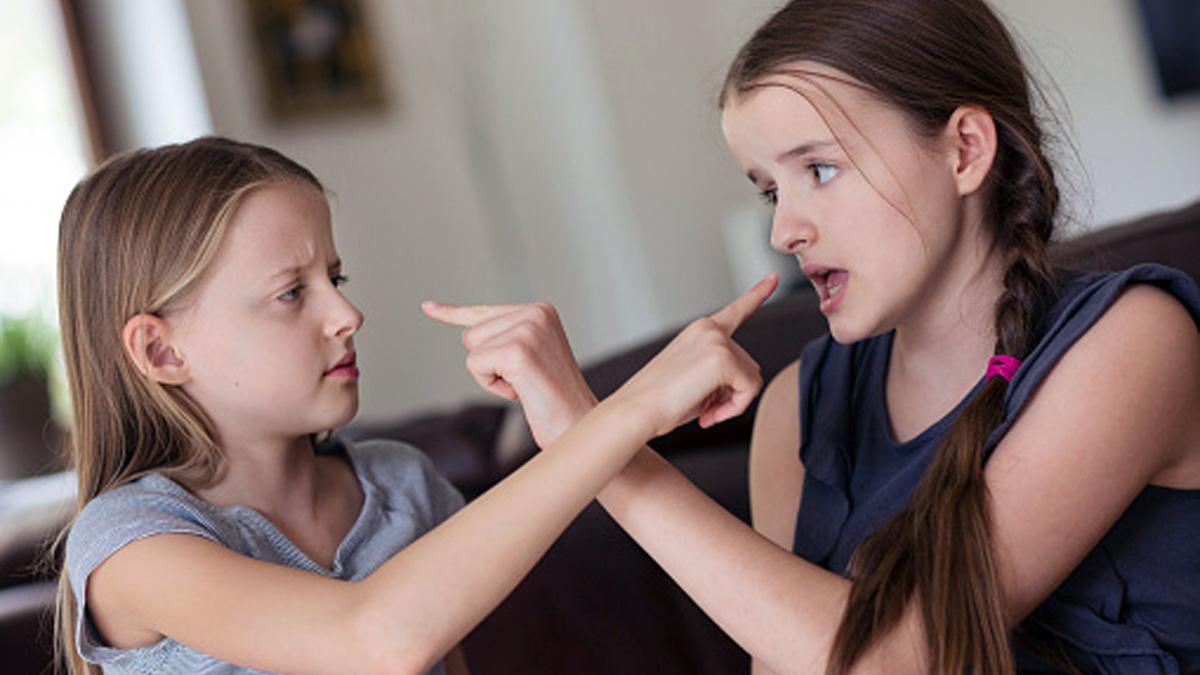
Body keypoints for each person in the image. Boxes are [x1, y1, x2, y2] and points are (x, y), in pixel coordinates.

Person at [425, 0, 1200, 672]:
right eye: (770, 190)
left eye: (819, 170)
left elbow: (904, 655)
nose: (784, 230)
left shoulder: (1133, 340)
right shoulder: (799, 405)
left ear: (965, 148)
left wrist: (597, 443)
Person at [52, 136, 778, 674]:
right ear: (162, 352)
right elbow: (379, 638)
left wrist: (588, 419)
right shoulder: (128, 545)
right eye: (292, 292)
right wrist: (625, 413)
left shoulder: (400, 483)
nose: (348, 314)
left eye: (336, 278)